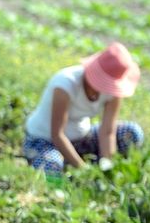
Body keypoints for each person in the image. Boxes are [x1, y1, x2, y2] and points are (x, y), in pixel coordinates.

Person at [23, 42, 143, 176]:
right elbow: (57, 135)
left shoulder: (113, 91)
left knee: (132, 132)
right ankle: (57, 188)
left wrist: (107, 166)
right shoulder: (65, 85)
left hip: (82, 138)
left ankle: (84, 165)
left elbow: (108, 131)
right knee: (51, 165)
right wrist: (83, 170)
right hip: (46, 140)